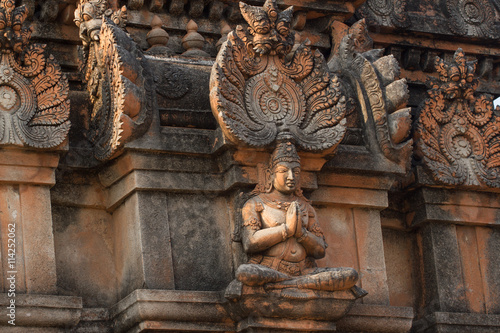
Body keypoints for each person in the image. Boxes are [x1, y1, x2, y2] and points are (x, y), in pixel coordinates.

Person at [236, 141, 360, 293]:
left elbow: (320, 250)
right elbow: (250, 242)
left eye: (296, 171)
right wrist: (286, 230)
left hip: (305, 270)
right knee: (246, 273)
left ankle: (286, 284)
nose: (291, 177)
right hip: (269, 268)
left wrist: (302, 234)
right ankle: (299, 284)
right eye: (283, 171)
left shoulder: (306, 207)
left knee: (350, 275)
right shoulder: (255, 204)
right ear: (270, 174)